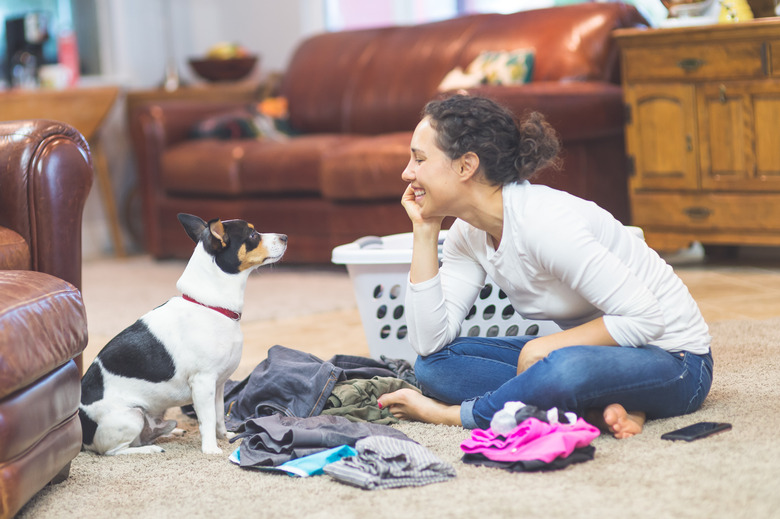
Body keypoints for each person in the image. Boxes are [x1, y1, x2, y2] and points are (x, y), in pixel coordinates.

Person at [376, 94, 712, 438]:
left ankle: (459, 415)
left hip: (676, 360)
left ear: (466, 166)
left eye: (419, 159)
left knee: (561, 368)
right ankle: (595, 408)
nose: (407, 172)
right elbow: (429, 342)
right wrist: (425, 230)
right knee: (434, 367)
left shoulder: (544, 224)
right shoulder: (467, 233)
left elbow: (645, 318)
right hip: (597, 357)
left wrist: (544, 349)